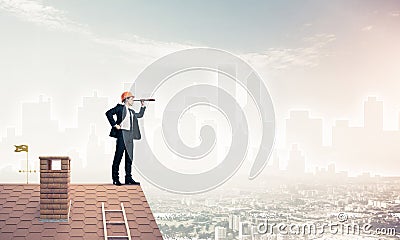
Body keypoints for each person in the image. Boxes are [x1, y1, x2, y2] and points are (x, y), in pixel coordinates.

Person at [105, 91, 146, 186]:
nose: (133, 101)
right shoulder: (120, 108)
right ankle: (115, 179)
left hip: (130, 136)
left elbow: (139, 115)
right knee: (118, 157)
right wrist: (115, 125)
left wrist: (142, 106)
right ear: (126, 99)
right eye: (131, 99)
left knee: (129, 158)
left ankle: (128, 178)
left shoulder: (131, 111)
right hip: (122, 134)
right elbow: (108, 113)